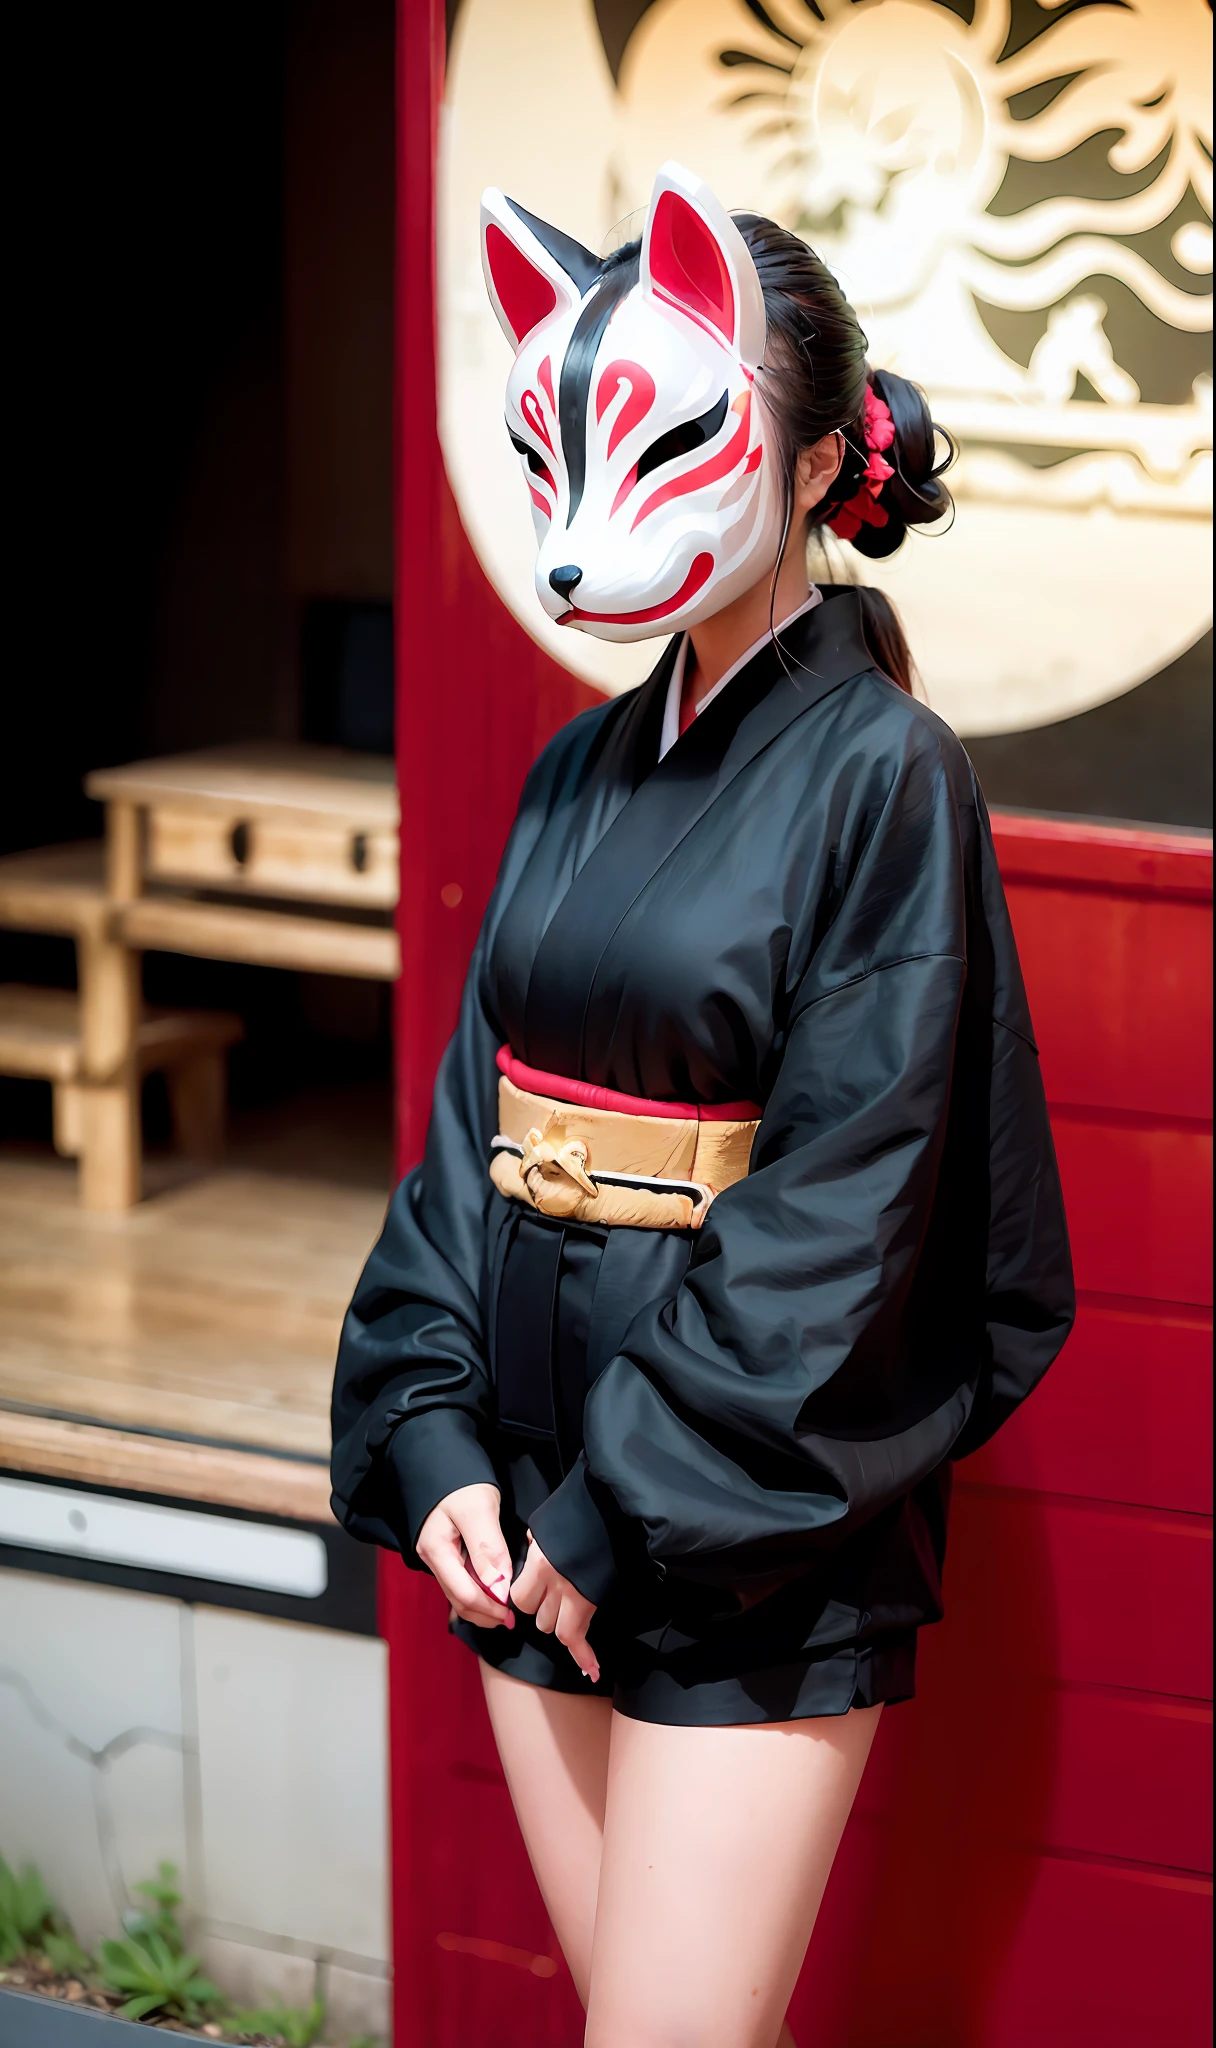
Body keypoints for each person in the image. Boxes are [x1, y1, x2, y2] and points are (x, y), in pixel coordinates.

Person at [331, 163, 1074, 2047]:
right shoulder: (579, 767)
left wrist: (612, 1516)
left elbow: (853, 1207)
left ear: (819, 467)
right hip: (521, 1503)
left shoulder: (889, 777)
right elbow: (467, 1133)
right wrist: (436, 1446)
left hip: (726, 1530)